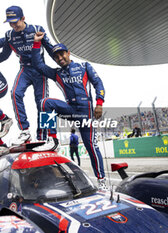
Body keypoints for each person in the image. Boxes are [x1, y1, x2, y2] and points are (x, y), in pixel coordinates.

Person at [31, 33, 107, 189]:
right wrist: (37, 44)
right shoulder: (57, 73)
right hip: (70, 110)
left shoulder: (85, 67)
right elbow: (37, 65)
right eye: (56, 57)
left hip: (86, 112)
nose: (59, 58)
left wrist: (99, 103)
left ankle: (102, 181)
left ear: (68, 53)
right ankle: (52, 140)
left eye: (61, 54)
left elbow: (98, 83)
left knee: (91, 146)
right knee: (45, 102)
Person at [0, 5, 54, 144]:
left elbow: (50, 49)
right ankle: (25, 131)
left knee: (43, 103)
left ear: (23, 18)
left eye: (15, 21)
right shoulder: (9, 35)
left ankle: (43, 136)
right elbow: (4, 55)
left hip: (40, 70)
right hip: (25, 70)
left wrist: (63, 64)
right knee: (15, 93)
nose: (13, 25)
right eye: (10, 22)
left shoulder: (37, 29)